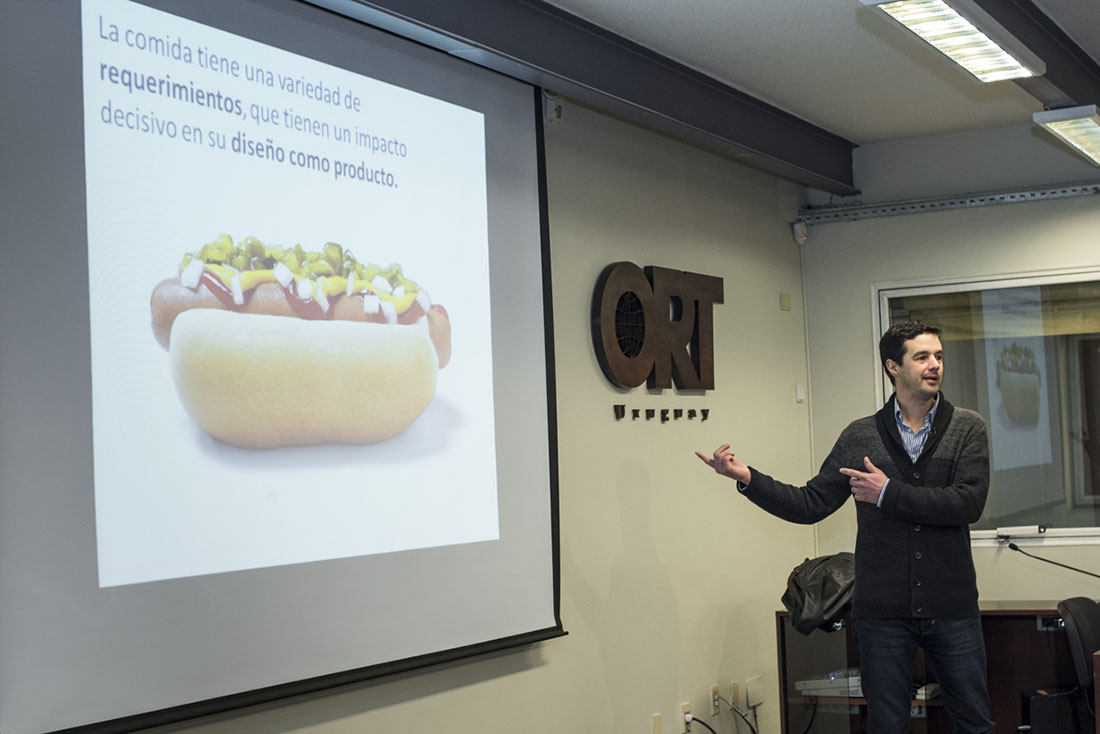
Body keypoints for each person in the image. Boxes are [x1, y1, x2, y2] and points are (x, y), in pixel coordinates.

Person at [696, 321, 994, 734]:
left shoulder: (967, 427)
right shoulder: (861, 436)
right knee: (886, 725)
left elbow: (968, 502)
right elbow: (811, 502)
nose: (934, 365)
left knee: (974, 723)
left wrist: (888, 493)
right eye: (922, 356)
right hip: (882, 613)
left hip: (952, 607)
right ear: (893, 366)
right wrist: (748, 477)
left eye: (939, 356)